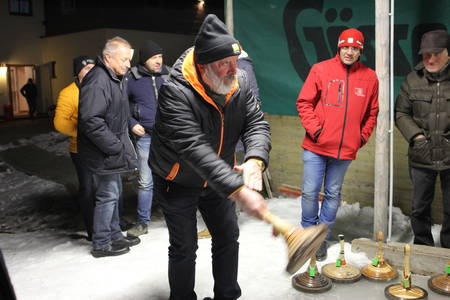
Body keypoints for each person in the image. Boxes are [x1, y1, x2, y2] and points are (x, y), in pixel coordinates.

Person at [149, 14, 271, 300]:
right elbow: (193, 149)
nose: (233, 70)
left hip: (218, 182)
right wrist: (237, 189)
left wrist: (255, 158)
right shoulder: (175, 92)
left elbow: (256, 123)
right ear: (203, 67)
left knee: (228, 237)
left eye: (235, 61)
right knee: (184, 247)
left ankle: (227, 296)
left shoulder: (238, 81)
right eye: (224, 64)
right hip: (177, 179)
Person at [296, 28, 379, 261]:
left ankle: (321, 239)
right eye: (346, 47)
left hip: (344, 150)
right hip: (316, 146)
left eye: (355, 48)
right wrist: (316, 130)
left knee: (332, 194)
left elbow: (372, 113)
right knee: (310, 192)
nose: (350, 52)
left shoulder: (370, 77)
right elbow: (304, 102)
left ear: (360, 50)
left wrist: (360, 137)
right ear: (339, 47)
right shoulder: (321, 69)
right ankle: (308, 236)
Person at [77, 36, 140, 258]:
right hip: (102, 151)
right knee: (108, 195)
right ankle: (101, 243)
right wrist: (114, 146)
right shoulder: (98, 80)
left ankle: (114, 235)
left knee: (113, 193)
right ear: (108, 58)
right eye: (124, 59)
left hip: (110, 149)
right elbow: (91, 121)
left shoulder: (114, 77)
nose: (128, 64)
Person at [395, 29, 450, 249]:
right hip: (421, 156)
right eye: (426, 53)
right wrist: (416, 136)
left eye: (436, 53)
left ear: (448, 53)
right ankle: (422, 246)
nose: (431, 58)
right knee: (419, 207)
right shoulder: (412, 80)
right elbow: (401, 113)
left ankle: (447, 250)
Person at [127, 40, 169, 237]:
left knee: (171, 178)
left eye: (160, 56)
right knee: (145, 181)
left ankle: (174, 217)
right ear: (144, 60)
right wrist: (131, 122)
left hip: (169, 137)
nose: (159, 61)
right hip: (146, 137)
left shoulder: (169, 75)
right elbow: (119, 105)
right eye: (154, 57)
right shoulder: (131, 78)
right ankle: (143, 222)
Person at [54, 55, 95, 240]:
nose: (91, 72)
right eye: (86, 69)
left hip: (102, 148)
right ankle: (92, 228)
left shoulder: (99, 89)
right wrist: (82, 132)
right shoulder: (68, 93)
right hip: (81, 149)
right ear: (77, 72)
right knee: (87, 188)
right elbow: (60, 122)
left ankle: (114, 221)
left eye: (94, 68)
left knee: (109, 187)